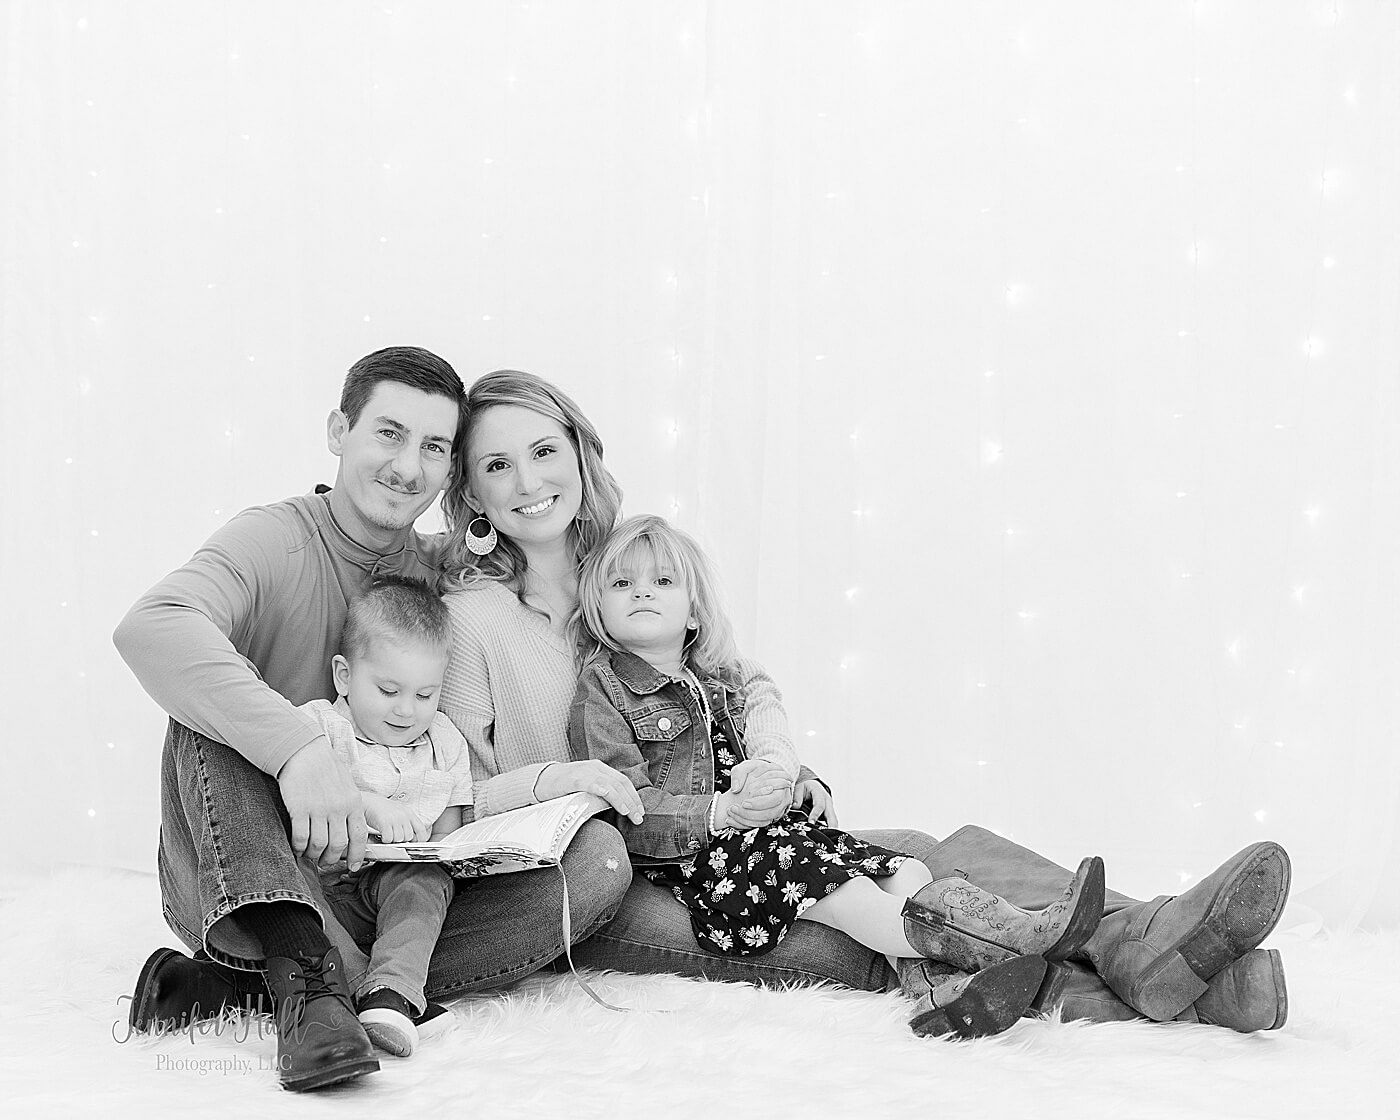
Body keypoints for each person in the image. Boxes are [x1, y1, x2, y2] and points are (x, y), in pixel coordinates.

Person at [437, 368, 1291, 1036]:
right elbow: (467, 798)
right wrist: (578, 782)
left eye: (545, 451)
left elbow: (736, 681)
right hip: (609, 870)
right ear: (471, 492)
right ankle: (1172, 989)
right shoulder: (470, 616)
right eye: (497, 465)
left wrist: (781, 769)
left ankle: (1149, 940)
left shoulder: (628, 567)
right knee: (838, 931)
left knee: (912, 850)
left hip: (729, 823)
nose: (528, 481)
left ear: (581, 454)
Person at [113, 347, 632, 1092]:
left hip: (397, 884)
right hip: (257, 872)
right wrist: (299, 753)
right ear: (339, 431)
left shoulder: (445, 574)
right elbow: (151, 626)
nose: (407, 466)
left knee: (597, 863)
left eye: (433, 448)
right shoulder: (276, 539)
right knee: (208, 705)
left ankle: (288, 989)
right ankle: (307, 976)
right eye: (389, 434)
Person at [567, 514, 1107, 1038]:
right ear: (598, 611)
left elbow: (740, 754)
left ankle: (938, 991)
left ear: (692, 614)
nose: (641, 592)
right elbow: (626, 807)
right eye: (622, 583)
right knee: (846, 892)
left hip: (772, 834)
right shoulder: (604, 689)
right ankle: (1005, 936)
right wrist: (721, 812)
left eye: (662, 581)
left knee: (908, 867)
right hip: (704, 859)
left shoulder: (716, 681)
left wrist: (800, 780)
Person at [304, 573, 471, 1057]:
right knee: (295, 889)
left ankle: (391, 992)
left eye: (425, 695)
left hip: (391, 899)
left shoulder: (445, 742)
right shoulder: (321, 727)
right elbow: (286, 796)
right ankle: (367, 989)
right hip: (326, 890)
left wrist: (452, 850)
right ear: (344, 676)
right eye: (388, 690)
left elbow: (449, 829)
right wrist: (368, 804)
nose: (406, 711)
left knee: (427, 879)